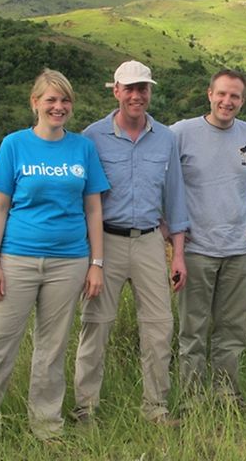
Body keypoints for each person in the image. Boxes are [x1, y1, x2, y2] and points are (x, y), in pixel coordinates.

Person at [0, 69, 109, 441]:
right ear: (35, 103)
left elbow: (94, 209)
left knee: (52, 348)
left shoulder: (82, 147)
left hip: (69, 262)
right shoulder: (14, 145)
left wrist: (96, 264)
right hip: (16, 259)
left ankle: (47, 425)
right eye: (51, 99)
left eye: (65, 100)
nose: (59, 106)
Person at [74, 60, 189, 425]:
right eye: (130, 88)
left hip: (150, 242)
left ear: (150, 91)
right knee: (96, 324)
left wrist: (178, 255)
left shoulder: (166, 137)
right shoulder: (92, 136)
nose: (137, 95)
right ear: (116, 91)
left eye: (144, 88)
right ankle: (85, 409)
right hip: (104, 242)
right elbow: (81, 198)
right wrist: (87, 256)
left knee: (159, 326)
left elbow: (176, 199)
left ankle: (155, 407)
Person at [171, 70, 246, 403]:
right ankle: (192, 398)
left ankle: (226, 395)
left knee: (232, 328)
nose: (227, 101)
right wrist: (168, 226)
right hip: (196, 248)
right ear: (209, 94)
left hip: (238, 250)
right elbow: (159, 179)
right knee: (193, 329)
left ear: (242, 101)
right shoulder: (181, 133)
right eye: (221, 94)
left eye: (234, 96)